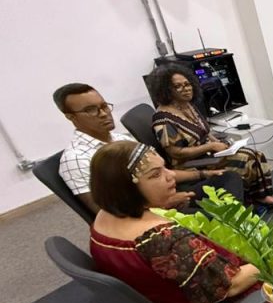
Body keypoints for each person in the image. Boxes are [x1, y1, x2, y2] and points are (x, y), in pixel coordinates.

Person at [89, 141, 273, 303]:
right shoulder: (161, 238)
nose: (170, 177)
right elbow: (230, 286)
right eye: (155, 175)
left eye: (165, 168)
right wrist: (269, 261)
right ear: (126, 188)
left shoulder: (103, 218)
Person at [54, 83, 221, 215]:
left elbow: (159, 172)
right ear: (70, 117)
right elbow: (102, 211)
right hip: (145, 214)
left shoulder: (122, 139)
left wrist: (203, 174)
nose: (103, 113)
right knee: (221, 215)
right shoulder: (76, 158)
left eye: (104, 106)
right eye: (91, 110)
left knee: (228, 179)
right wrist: (161, 205)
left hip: (166, 195)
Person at [149, 66, 273, 208]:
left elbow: (205, 131)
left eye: (187, 84)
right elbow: (175, 153)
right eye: (178, 86)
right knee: (245, 158)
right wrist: (210, 146)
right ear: (166, 90)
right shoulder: (163, 119)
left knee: (256, 154)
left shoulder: (187, 105)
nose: (186, 89)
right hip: (189, 164)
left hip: (206, 154)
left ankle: (263, 196)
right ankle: (243, 202)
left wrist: (221, 145)